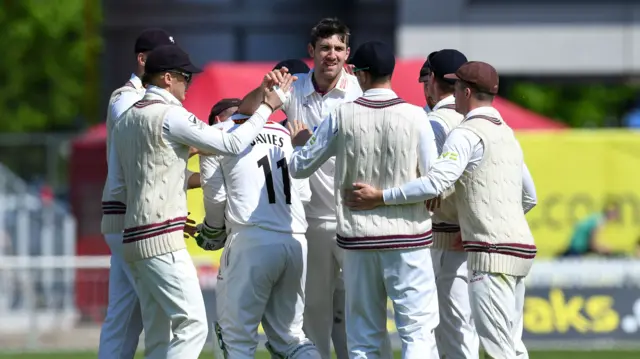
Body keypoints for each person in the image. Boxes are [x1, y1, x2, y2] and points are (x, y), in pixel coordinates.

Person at [343, 61, 538, 359]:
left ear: (467, 91)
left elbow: (435, 183)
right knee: (511, 346)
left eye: (457, 88)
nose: (452, 94)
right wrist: (482, 225)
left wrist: (381, 197)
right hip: (520, 249)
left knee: (499, 349)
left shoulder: (467, 132)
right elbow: (530, 197)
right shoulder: (507, 133)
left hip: (490, 253)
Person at [111, 44, 285, 359]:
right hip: (160, 239)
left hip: (133, 236)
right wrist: (266, 107)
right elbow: (231, 143)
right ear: (167, 78)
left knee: (160, 335)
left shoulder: (127, 119)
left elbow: (146, 174)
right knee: (192, 326)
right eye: (185, 77)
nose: (188, 85)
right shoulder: (169, 115)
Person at [288, 40, 440, 359]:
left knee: (364, 337)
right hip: (408, 239)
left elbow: (300, 167)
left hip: (359, 241)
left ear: (361, 75)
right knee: (417, 332)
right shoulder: (415, 116)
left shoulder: (343, 115)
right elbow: (433, 184)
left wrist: (302, 141)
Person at [237, 18, 368, 359]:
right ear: (311, 51)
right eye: (325, 48)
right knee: (314, 316)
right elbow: (244, 111)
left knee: (361, 312)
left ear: (347, 53)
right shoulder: (293, 88)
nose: (332, 55)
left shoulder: (360, 92)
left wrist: (313, 146)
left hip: (356, 216)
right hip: (311, 221)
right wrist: (266, 89)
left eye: (338, 48)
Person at [196, 93, 321, 358]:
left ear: (217, 118)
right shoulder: (284, 133)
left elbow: (215, 196)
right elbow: (305, 195)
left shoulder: (217, 133)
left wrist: (212, 230)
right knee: (292, 337)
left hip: (251, 239)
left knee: (236, 339)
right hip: (295, 238)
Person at [98, 28, 175, 359]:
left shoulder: (139, 98)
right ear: (142, 60)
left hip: (126, 217)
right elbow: (144, 150)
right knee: (163, 312)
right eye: (162, 59)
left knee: (125, 317)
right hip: (130, 217)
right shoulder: (126, 97)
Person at [421, 49, 480, 359]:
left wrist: (382, 197)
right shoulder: (484, 125)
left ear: (431, 80)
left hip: (445, 238)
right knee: (462, 329)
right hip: (477, 237)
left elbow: (428, 183)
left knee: (447, 331)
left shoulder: (433, 123)